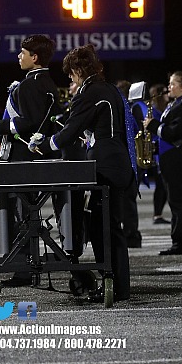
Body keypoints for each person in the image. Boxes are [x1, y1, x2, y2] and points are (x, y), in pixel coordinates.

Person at [28, 44, 137, 302]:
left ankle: (115, 287)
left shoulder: (90, 92)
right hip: (119, 162)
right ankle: (117, 285)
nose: (70, 79)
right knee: (110, 228)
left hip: (106, 165)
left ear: (78, 69)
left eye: (70, 73)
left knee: (103, 229)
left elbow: (68, 133)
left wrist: (43, 144)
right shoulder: (109, 88)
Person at [0, 34, 61, 286]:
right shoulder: (48, 82)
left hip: (23, 159)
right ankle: (28, 266)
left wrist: (2, 126)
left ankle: (23, 268)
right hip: (40, 158)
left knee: (22, 215)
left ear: (35, 57)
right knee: (28, 214)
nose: (19, 56)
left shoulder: (30, 84)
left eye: (23, 52)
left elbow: (29, 123)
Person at [144, 71, 182, 255]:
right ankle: (177, 242)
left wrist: (153, 125)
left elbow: (174, 133)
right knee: (175, 202)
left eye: (172, 84)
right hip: (171, 159)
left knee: (180, 203)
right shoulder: (176, 104)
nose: (169, 87)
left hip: (179, 160)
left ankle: (181, 245)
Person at [116, 80, 142, 248]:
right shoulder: (128, 108)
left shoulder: (127, 108)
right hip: (128, 159)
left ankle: (131, 235)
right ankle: (131, 235)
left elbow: (133, 128)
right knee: (128, 201)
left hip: (125, 159)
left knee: (126, 200)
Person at [148, 83, 171, 224]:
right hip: (159, 151)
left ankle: (159, 214)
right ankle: (157, 214)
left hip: (165, 149)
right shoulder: (155, 111)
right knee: (161, 185)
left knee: (163, 185)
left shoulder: (166, 109)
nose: (167, 94)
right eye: (163, 92)